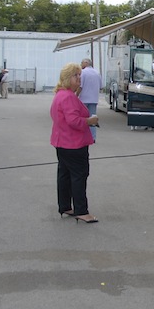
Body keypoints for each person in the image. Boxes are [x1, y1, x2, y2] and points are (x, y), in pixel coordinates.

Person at [50, 63, 100, 223]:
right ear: (67, 78)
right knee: (79, 175)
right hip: (73, 144)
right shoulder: (68, 97)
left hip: (62, 142)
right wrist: (89, 120)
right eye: (75, 76)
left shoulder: (61, 94)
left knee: (64, 175)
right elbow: (73, 121)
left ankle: (65, 205)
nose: (79, 78)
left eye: (79, 75)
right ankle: (81, 210)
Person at [78, 58, 102, 141]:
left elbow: (80, 86)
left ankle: (82, 136)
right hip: (94, 99)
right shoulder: (97, 73)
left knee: (83, 118)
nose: (80, 64)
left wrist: (76, 96)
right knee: (93, 118)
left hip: (84, 99)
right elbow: (101, 86)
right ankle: (93, 137)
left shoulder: (83, 73)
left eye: (81, 63)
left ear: (86, 63)